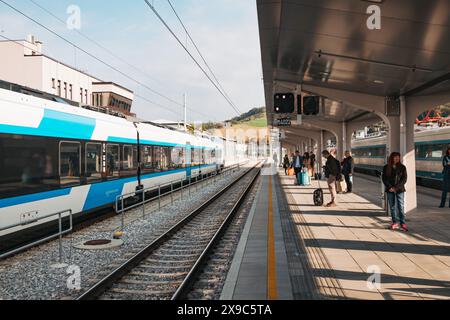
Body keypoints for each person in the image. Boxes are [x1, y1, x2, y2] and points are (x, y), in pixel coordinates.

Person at [382, 152, 408, 231]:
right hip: (390, 189)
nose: (397, 158)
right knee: (392, 207)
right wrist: (390, 187)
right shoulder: (386, 167)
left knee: (401, 206)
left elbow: (404, 179)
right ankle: (395, 222)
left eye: (398, 157)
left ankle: (402, 223)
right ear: (392, 158)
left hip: (399, 190)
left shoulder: (402, 167)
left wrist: (396, 188)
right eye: (395, 157)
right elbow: (384, 178)